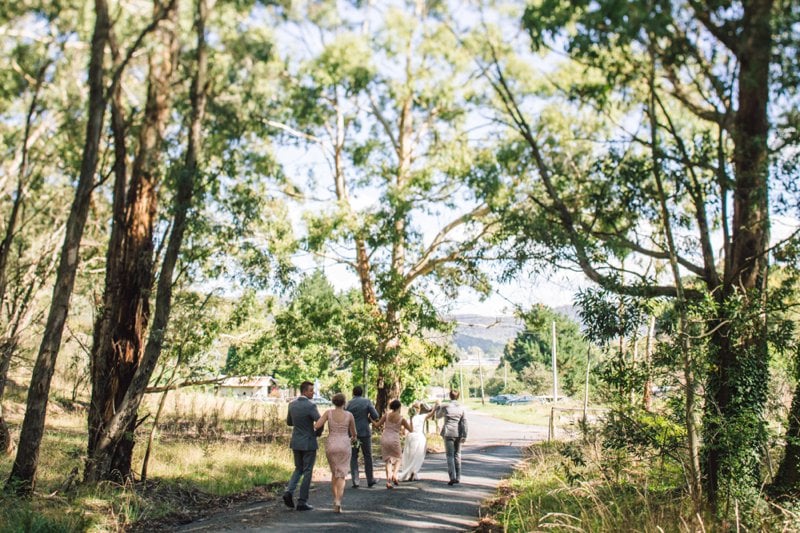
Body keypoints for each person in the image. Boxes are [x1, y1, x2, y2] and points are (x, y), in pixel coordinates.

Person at [314, 393, 357, 513]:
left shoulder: (328, 413)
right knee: (342, 475)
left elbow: (317, 425)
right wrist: (353, 438)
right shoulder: (349, 415)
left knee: (334, 473)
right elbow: (354, 433)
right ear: (344, 403)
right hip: (344, 444)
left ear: (333, 402)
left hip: (331, 444)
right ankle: (338, 500)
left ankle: (335, 498)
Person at [283, 381, 321, 511]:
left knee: (298, 468)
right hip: (309, 441)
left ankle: (289, 491)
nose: (313, 392)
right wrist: (317, 433)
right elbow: (319, 421)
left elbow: (289, 422)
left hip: (296, 441)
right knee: (308, 471)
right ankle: (302, 501)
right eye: (311, 390)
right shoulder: (311, 406)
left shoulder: (292, 405)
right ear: (305, 391)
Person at [372, 399, 412, 488]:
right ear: (399, 407)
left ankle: (388, 481)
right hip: (394, 439)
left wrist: (371, 419)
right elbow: (411, 430)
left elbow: (377, 425)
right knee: (398, 458)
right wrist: (412, 418)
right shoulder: (402, 419)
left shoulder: (386, 415)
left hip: (385, 437)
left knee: (388, 460)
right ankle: (394, 474)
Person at [345, 385, 379, 488]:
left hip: (353, 433)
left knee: (354, 456)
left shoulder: (348, 404)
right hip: (364, 432)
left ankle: (355, 481)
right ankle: (370, 479)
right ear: (362, 392)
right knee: (367, 455)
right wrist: (368, 419)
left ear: (353, 393)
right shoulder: (367, 402)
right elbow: (376, 416)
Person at [435, 390, 468, 486]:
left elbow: (437, 416)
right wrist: (464, 435)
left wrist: (437, 408)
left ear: (450, 396)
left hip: (448, 433)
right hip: (458, 433)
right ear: (458, 397)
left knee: (450, 455)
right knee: (457, 454)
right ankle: (458, 477)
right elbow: (464, 422)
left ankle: (452, 477)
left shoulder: (446, 407)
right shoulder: (462, 408)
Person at [397, 401, 435, 481]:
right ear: (419, 410)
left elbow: (404, 432)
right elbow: (431, 414)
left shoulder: (408, 419)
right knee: (418, 455)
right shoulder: (422, 417)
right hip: (419, 437)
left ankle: (409, 472)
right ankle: (414, 471)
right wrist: (435, 407)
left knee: (409, 455)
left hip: (410, 437)